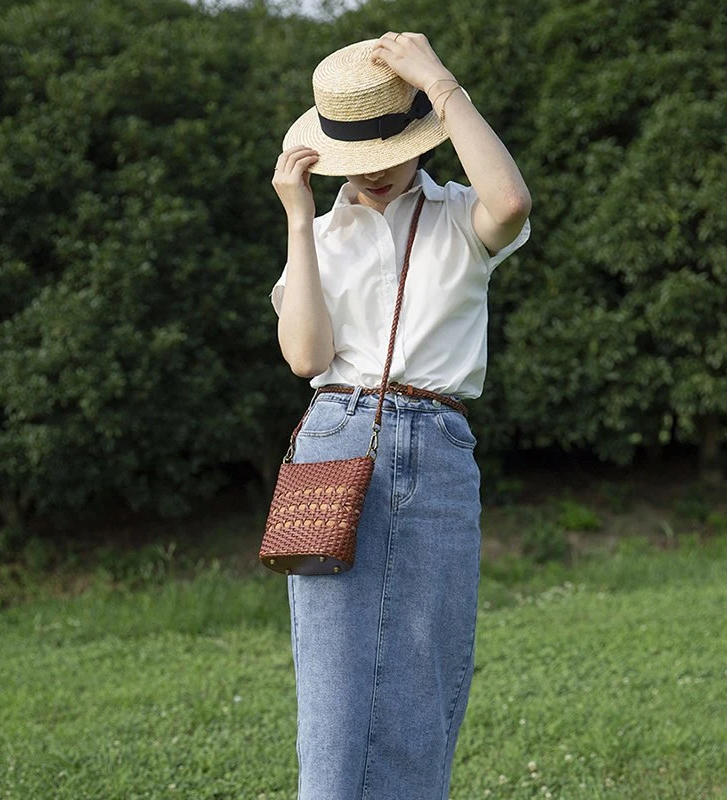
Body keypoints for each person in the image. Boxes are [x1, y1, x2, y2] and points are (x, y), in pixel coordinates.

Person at [268, 32, 531, 800]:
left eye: (392, 147)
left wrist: (441, 84)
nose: (377, 170)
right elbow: (306, 357)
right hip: (333, 439)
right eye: (360, 157)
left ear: (423, 135)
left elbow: (511, 201)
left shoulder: (459, 217)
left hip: (439, 443)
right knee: (334, 691)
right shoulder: (317, 237)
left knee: (427, 670)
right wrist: (297, 219)